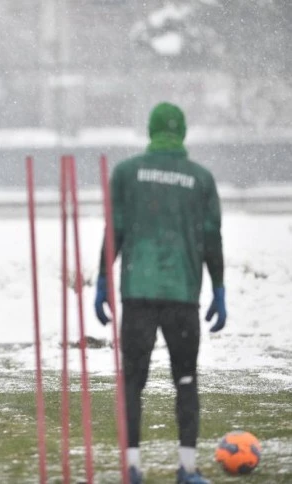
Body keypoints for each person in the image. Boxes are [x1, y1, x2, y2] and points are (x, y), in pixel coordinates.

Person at [94, 103, 226, 484]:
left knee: (133, 380)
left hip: (138, 291)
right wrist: (218, 286)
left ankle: (131, 466)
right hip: (182, 293)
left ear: (151, 131)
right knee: (185, 378)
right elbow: (211, 238)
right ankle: (187, 468)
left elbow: (114, 228)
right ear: (182, 132)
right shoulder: (201, 178)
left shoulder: (126, 172)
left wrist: (103, 277)